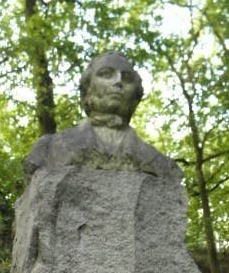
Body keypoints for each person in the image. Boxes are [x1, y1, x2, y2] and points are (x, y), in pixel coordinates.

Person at [24, 51, 178, 181]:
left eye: (127, 78)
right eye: (106, 74)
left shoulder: (160, 164)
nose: (118, 82)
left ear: (136, 96)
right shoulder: (47, 150)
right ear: (87, 89)